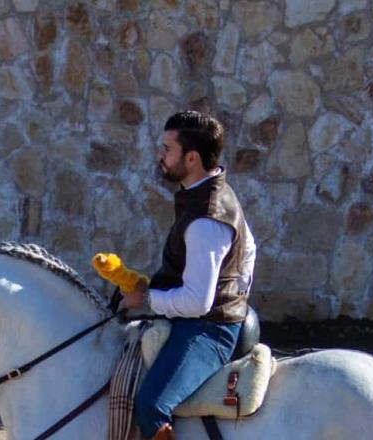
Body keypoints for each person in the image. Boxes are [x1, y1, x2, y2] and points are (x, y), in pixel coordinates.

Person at [122, 110, 257, 440]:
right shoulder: (208, 191)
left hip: (207, 329)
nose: (161, 155)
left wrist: (148, 299)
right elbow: (251, 247)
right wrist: (238, 289)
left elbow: (198, 301)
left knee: (151, 406)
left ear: (192, 157)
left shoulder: (206, 219)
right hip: (212, 316)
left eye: (168, 149)